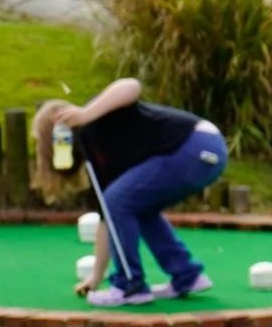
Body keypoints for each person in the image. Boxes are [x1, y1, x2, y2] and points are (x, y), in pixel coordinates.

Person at [33, 81, 228, 306]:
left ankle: (129, 287)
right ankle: (187, 276)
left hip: (196, 145)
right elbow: (108, 219)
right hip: (202, 152)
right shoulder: (96, 156)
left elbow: (131, 86)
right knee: (135, 207)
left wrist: (85, 114)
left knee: (119, 201)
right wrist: (95, 277)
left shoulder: (97, 115)